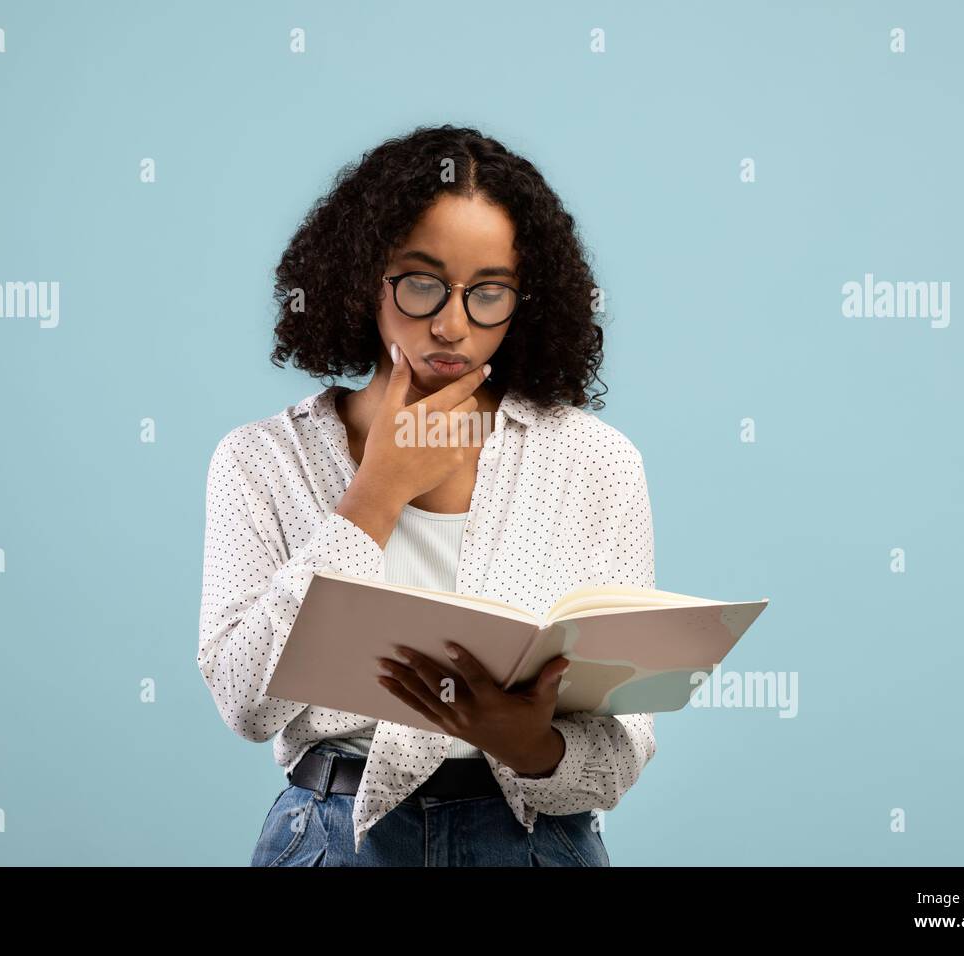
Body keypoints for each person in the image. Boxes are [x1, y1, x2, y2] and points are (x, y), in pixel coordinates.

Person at [198, 124, 657, 866]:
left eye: (489, 293)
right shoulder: (261, 460)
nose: (452, 324)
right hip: (334, 841)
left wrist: (530, 746)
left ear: (524, 300)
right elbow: (247, 702)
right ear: (362, 277)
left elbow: (620, 756)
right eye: (421, 282)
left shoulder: (594, 461)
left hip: (533, 845)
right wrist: (374, 498)